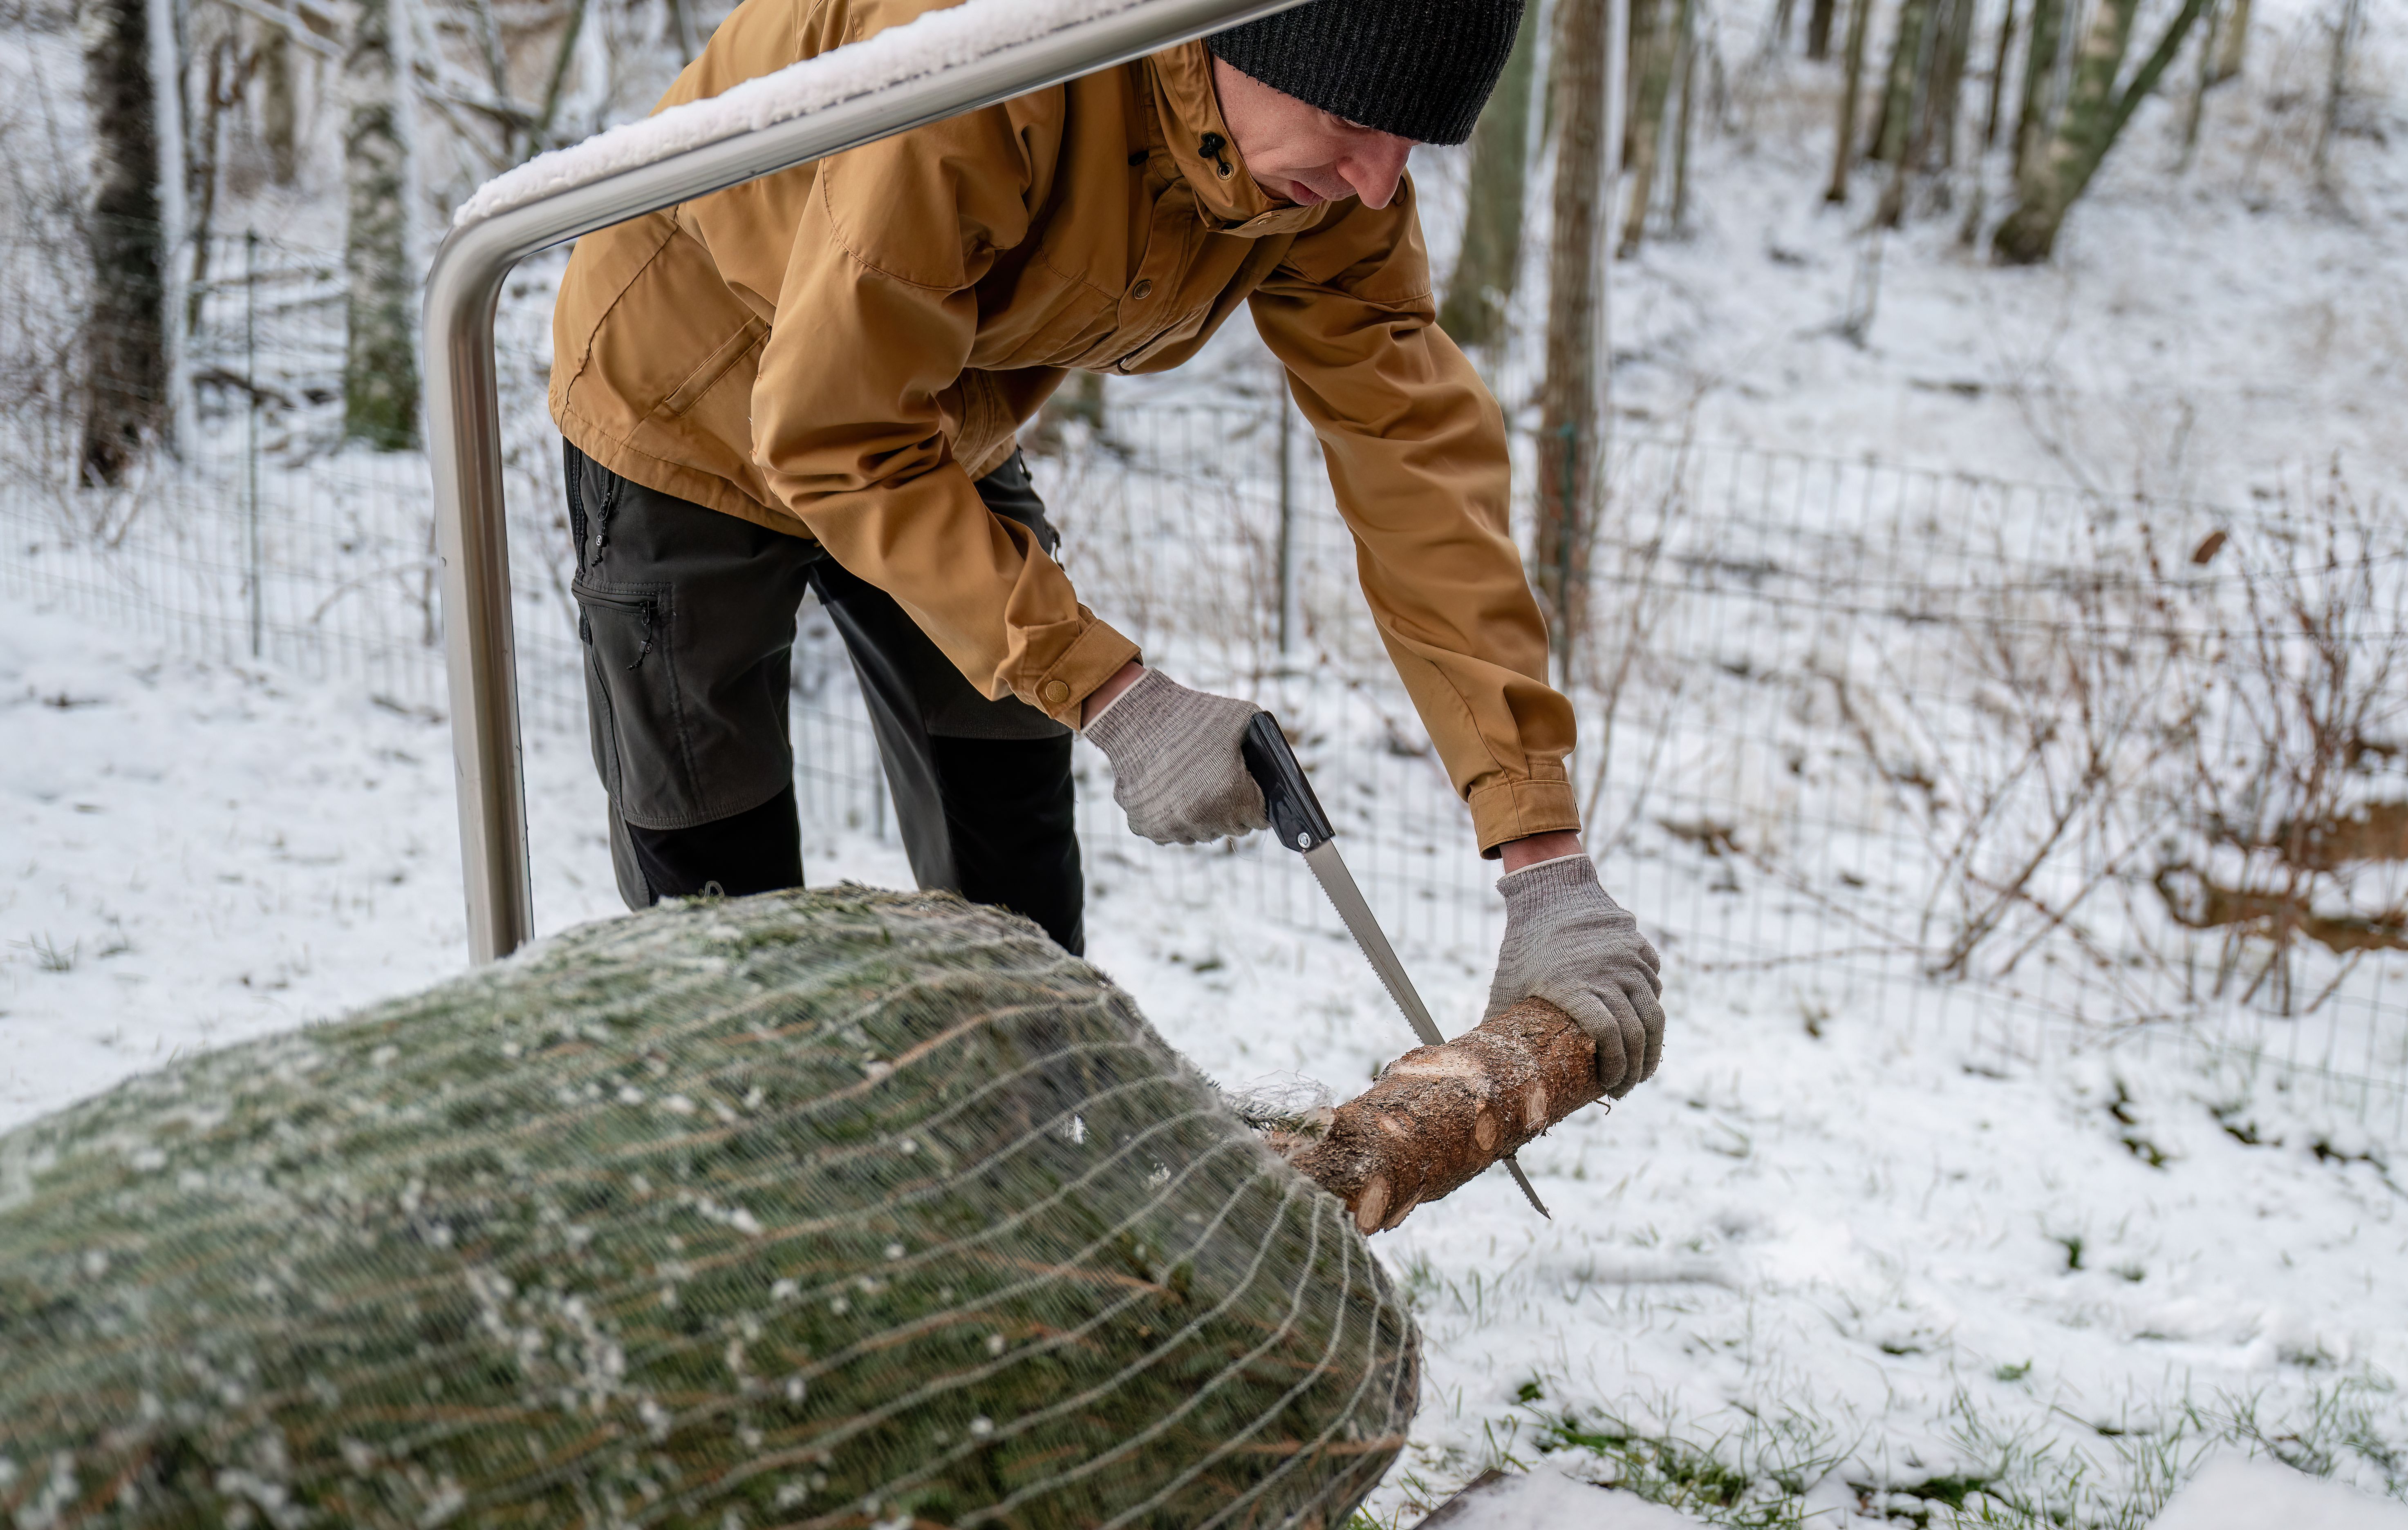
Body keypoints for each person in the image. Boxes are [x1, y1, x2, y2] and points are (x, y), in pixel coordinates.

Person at [549, 0, 1665, 1096]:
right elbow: (835, 430)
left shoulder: (1323, 180)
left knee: (1009, 833)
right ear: (1247, 36)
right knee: (714, 881)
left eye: (1411, 142)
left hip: (925, 409)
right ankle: (749, 1197)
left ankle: (1034, 1174)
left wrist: (1542, 853)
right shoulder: (994, 53)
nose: (1380, 181)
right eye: (1357, 126)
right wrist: (1116, 693)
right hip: (684, 399)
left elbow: (1415, 462)